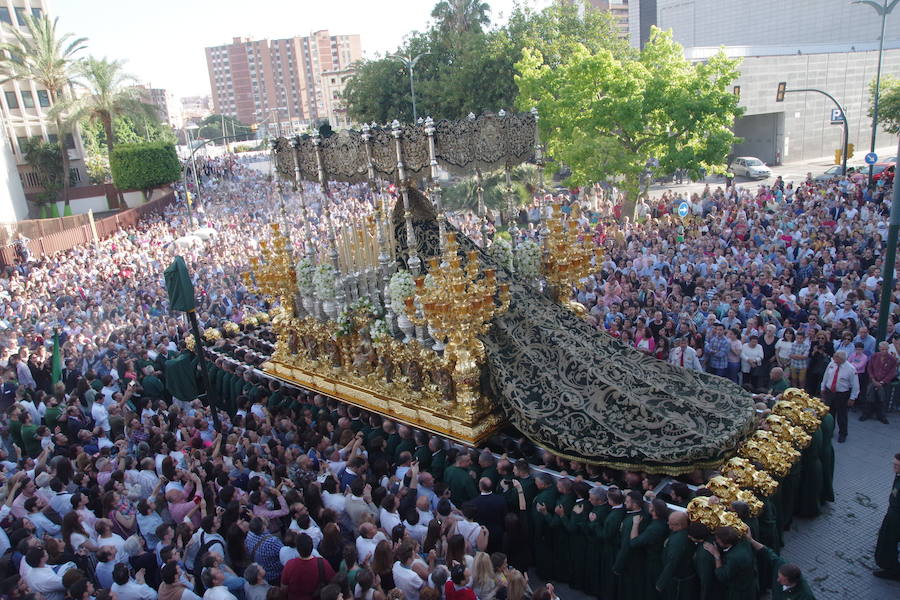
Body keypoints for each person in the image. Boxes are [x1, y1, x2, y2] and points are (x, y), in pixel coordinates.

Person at [745, 535, 816, 599]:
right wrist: (751, 540)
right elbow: (767, 552)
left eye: (782, 580)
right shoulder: (780, 564)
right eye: (778, 576)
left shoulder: (806, 596)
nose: (778, 580)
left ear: (792, 581)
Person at [703, 526, 755, 600]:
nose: (716, 541)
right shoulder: (744, 543)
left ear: (725, 544)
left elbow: (722, 576)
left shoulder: (733, 558)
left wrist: (716, 555)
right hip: (750, 586)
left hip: (739, 593)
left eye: (718, 540)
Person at [820, 351, 860, 443]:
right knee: (830, 414)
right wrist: (823, 387)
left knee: (842, 415)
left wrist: (852, 397)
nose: (834, 359)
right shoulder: (832, 364)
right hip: (830, 392)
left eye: (836, 358)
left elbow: (855, 385)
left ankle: (843, 433)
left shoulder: (850, 369)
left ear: (841, 359)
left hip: (842, 394)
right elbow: (826, 376)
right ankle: (830, 431)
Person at [281, 533, 335, 600]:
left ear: (297, 549)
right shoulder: (323, 563)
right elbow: (333, 581)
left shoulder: (290, 565)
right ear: (312, 547)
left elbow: (284, 588)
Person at [874, 452, 900, 581]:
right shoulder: (898, 475)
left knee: (889, 543)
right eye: (893, 464)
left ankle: (892, 570)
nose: (894, 467)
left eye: (897, 465)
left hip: (896, 517)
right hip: (893, 514)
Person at [864, 342, 896, 424]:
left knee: (882, 399)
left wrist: (883, 382)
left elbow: (892, 372)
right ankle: (867, 414)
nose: (884, 351)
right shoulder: (875, 356)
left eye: (886, 349)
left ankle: (881, 416)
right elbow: (869, 368)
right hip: (873, 380)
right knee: (869, 397)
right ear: (879, 349)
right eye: (882, 349)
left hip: (884, 383)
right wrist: (873, 379)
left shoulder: (892, 359)